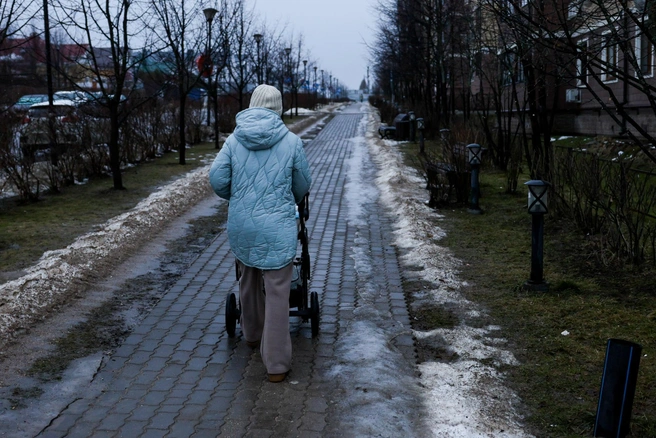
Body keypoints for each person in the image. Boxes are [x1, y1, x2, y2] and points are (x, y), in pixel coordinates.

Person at [209, 84, 312, 383]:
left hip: (242, 224)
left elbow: (217, 180)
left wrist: (238, 196)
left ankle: (252, 335)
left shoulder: (233, 141)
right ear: (278, 108)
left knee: (248, 278)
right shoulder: (291, 142)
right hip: (276, 225)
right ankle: (277, 365)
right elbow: (302, 184)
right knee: (278, 291)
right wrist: (285, 198)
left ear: (252, 104)